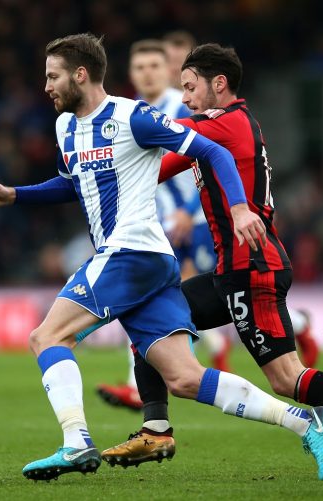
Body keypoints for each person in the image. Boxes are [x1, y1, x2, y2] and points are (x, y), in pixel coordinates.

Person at [0, 33, 323, 482]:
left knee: (46, 337)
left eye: (53, 76)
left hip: (130, 251)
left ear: (80, 74)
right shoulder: (65, 126)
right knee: (183, 378)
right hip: (153, 264)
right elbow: (74, 183)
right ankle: (304, 421)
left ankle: (75, 442)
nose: (46, 86)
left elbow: (212, 149)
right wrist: (16, 195)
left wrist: (240, 207)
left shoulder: (132, 117)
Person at [100, 43, 323, 478]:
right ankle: (156, 429)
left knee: (287, 379)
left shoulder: (226, 123)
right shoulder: (213, 129)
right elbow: (155, 168)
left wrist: (101, 128)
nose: (185, 98)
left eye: (191, 88)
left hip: (253, 270)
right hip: (230, 272)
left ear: (219, 84)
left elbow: (160, 139)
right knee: (149, 317)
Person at [96, 39, 228, 410]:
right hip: (156, 227)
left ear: (167, 69)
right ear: (131, 73)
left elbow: (205, 157)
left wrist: (187, 210)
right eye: (140, 68)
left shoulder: (181, 108)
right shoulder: (128, 112)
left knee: (201, 297)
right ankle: (147, 384)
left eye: (154, 66)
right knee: (161, 300)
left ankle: (293, 325)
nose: (147, 73)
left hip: (195, 220)